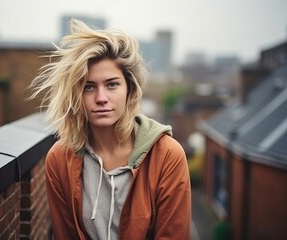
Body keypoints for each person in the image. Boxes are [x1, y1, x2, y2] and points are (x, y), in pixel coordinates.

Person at [30, 19, 191, 240]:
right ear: (76, 95)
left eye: (112, 84)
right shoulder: (60, 159)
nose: (101, 98)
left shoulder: (167, 155)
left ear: (130, 89)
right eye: (89, 87)